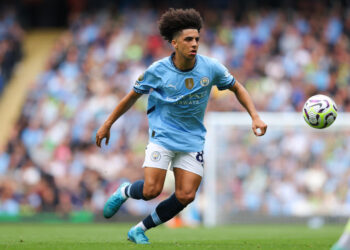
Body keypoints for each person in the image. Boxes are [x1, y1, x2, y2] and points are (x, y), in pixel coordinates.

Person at [95, 8, 267, 244]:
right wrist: (107, 124)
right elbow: (131, 97)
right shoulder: (157, 71)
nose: (194, 43)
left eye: (197, 39)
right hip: (163, 136)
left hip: (192, 139)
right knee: (151, 191)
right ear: (174, 43)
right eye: (188, 39)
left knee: (186, 195)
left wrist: (255, 116)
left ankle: (139, 230)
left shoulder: (211, 67)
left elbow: (237, 87)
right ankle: (125, 191)